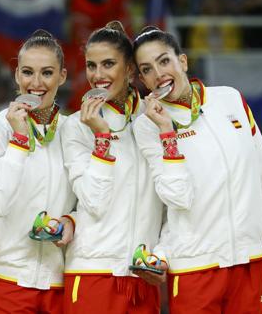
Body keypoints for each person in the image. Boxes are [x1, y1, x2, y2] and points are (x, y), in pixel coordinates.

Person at [132, 25, 262, 314]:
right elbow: (178, 197)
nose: (158, 73)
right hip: (195, 268)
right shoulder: (147, 126)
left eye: (164, 60)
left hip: (248, 263)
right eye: (147, 69)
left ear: (183, 61)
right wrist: (167, 132)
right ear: (142, 80)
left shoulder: (230, 100)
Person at [60, 21, 164, 314]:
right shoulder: (77, 126)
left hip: (142, 276)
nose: (98, 75)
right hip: (94, 274)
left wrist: (162, 256)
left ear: (130, 68)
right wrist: (102, 137)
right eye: (91, 66)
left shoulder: (156, 119)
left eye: (108, 64)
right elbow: (93, 200)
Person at [0, 29, 76, 314]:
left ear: (62, 76)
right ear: (17, 74)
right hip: (6, 279)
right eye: (28, 72)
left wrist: (72, 220)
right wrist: (19, 141)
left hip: (58, 282)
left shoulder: (74, 130)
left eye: (47, 73)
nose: (36, 83)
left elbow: (86, 202)